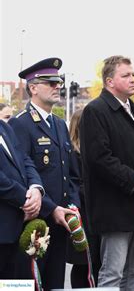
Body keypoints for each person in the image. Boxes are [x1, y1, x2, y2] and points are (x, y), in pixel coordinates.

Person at [80, 55, 134, 290]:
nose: (133, 79)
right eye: (126, 75)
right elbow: (99, 158)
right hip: (114, 208)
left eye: (133, 75)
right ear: (110, 81)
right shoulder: (96, 111)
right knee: (112, 273)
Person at [10, 57, 79, 289]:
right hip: (35, 225)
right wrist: (52, 209)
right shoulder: (20, 124)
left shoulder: (59, 124)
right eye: (50, 82)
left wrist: (73, 206)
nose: (57, 86)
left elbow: (71, 175)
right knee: (25, 284)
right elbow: (21, 177)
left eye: (59, 81)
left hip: (61, 222)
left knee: (55, 284)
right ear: (33, 87)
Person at [0, 120, 44, 278]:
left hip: (18, 229)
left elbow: (25, 159)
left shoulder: (4, 127)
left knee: (18, 285)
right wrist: (25, 199)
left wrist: (36, 188)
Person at [66, 109, 101, 287]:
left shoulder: (94, 150)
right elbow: (74, 183)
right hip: (82, 214)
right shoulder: (73, 152)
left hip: (95, 213)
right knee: (83, 263)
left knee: (96, 263)